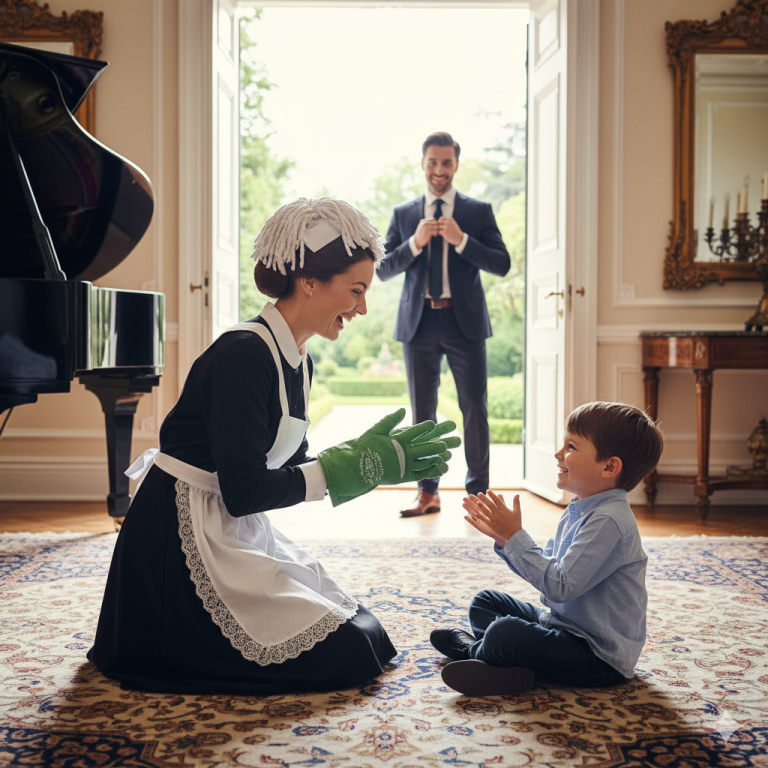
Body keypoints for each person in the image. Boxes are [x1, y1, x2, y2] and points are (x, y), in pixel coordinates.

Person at [87, 198, 460, 696]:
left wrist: (369, 459)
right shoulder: (244, 354)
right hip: (179, 540)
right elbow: (245, 491)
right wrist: (345, 470)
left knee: (367, 631)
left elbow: (293, 463)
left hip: (230, 525)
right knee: (347, 650)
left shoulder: (298, 360)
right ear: (309, 282)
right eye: (356, 290)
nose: (363, 308)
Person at [430, 401, 664, 697]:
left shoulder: (609, 521)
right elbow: (549, 569)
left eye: (571, 447)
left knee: (505, 633)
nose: (558, 454)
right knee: (486, 602)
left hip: (597, 656)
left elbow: (558, 587)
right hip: (564, 625)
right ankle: (503, 666)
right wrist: (506, 540)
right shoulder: (579, 508)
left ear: (609, 467)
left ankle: (473, 652)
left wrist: (516, 536)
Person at [378, 131, 510, 518]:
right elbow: (383, 268)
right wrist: (415, 242)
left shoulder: (477, 211)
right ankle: (428, 493)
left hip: (463, 322)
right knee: (423, 414)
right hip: (418, 323)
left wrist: (462, 240)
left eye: (446, 162)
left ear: (456, 164)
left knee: (474, 408)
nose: (439, 170)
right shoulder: (404, 215)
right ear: (422, 164)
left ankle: (479, 496)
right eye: (432, 162)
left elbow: (501, 264)